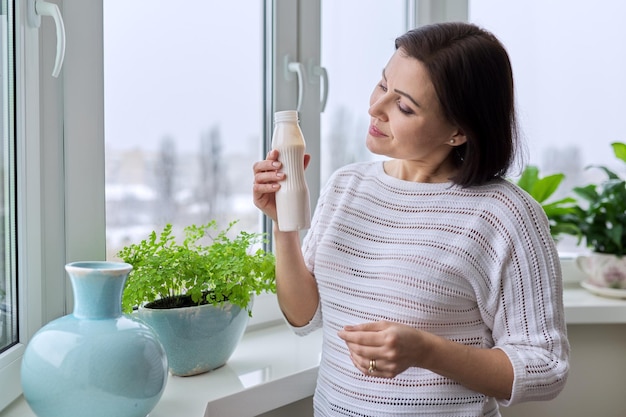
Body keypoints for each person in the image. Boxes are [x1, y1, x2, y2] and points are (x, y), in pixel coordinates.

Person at [253, 22, 569, 417]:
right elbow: (305, 317)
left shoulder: (505, 215)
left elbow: (546, 367)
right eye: (382, 85)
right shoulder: (346, 186)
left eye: (403, 106)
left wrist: (425, 350)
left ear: (457, 131)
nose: (375, 109)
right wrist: (283, 226)